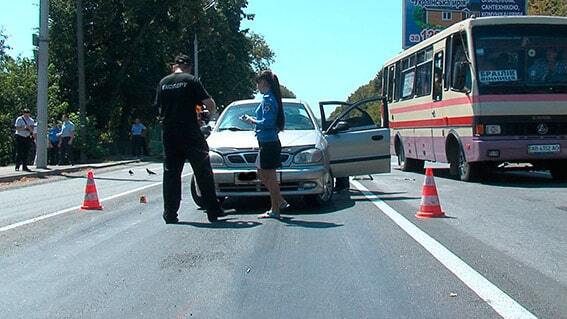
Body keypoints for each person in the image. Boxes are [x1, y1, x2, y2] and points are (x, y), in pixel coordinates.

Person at [154, 53, 225, 224]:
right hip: (189, 131)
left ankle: (170, 213)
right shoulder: (191, 80)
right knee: (203, 171)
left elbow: (158, 108)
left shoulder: (163, 83)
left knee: (171, 173)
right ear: (189, 67)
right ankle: (212, 211)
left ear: (174, 66)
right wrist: (208, 116)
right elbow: (210, 104)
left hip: (169, 132)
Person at [240, 70, 289, 219]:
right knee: (262, 173)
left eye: (258, 82)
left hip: (268, 142)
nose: (257, 86)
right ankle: (279, 201)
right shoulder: (270, 98)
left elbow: (267, 122)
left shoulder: (268, 100)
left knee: (270, 176)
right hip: (267, 142)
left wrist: (251, 121)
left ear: (264, 83)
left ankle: (275, 209)